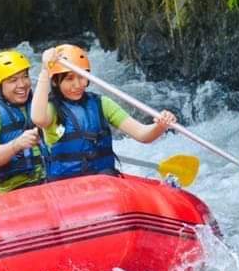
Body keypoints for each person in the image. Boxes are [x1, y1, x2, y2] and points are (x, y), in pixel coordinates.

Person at [30, 44, 177, 181]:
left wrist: (160, 126)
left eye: (82, 77)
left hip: (103, 183)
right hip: (68, 188)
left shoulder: (102, 103)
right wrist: (45, 69)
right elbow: (38, 118)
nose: (78, 84)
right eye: (69, 79)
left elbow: (142, 134)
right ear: (55, 82)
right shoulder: (52, 109)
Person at [0, 50, 45, 193]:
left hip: (51, 181)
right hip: (15, 190)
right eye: (13, 80)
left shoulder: (41, 103)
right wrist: (16, 145)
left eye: (25, 77)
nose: (22, 84)